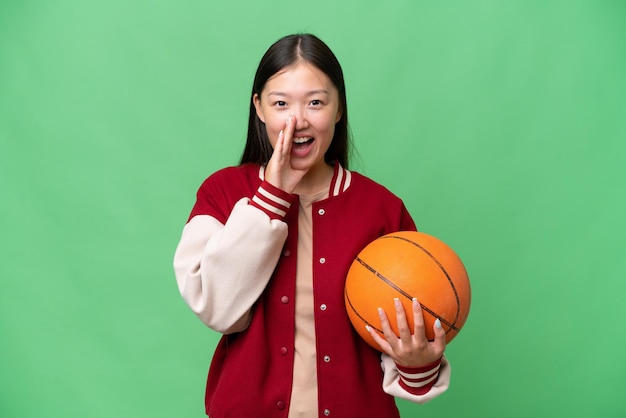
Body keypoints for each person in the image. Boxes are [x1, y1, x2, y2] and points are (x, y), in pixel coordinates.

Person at [173, 33, 450, 418]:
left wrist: (417, 362)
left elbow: (407, 343)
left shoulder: (383, 209)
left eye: (316, 102)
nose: (297, 120)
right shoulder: (222, 192)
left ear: (338, 109)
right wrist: (272, 194)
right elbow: (218, 309)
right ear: (259, 108)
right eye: (281, 103)